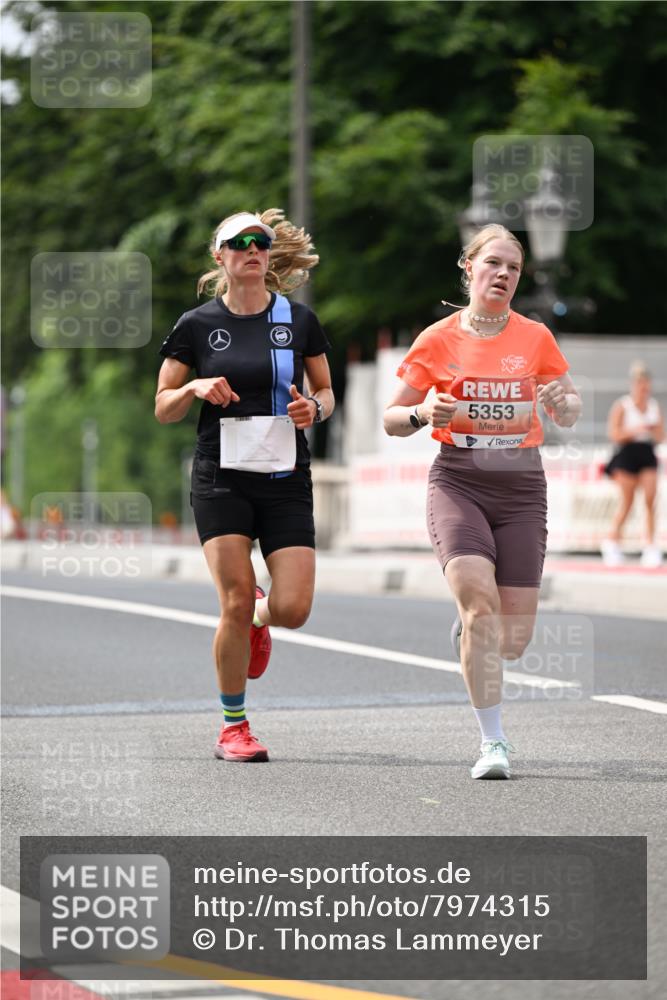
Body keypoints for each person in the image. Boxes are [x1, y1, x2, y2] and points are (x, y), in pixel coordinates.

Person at [384, 223, 581, 780]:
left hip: (520, 487)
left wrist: (562, 404)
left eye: (513, 268)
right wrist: (424, 414)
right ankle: (493, 743)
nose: (503, 274)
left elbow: (569, 405)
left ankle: (473, 632)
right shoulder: (438, 338)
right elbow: (392, 417)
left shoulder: (535, 337)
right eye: (492, 263)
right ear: (469, 268)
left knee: (512, 644)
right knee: (479, 607)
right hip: (459, 481)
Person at [155, 209, 334, 762]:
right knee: (232, 600)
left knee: (295, 607)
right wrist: (196, 387)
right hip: (220, 479)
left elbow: (326, 392)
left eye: (261, 241)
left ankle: (261, 615)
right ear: (221, 256)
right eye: (240, 242)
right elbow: (162, 406)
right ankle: (234, 725)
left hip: (285, 479)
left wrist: (314, 409)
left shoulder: (297, 320)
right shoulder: (195, 325)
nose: (252, 249)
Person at [601, 362, 664, 568]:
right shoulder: (623, 405)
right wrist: (637, 429)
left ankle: (650, 545)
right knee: (627, 502)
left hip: (647, 453)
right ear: (634, 384)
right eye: (640, 384)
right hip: (627, 454)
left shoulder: (654, 406)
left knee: (649, 499)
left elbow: (661, 436)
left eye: (646, 384)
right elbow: (614, 434)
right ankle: (612, 542)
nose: (643, 389)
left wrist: (652, 431)